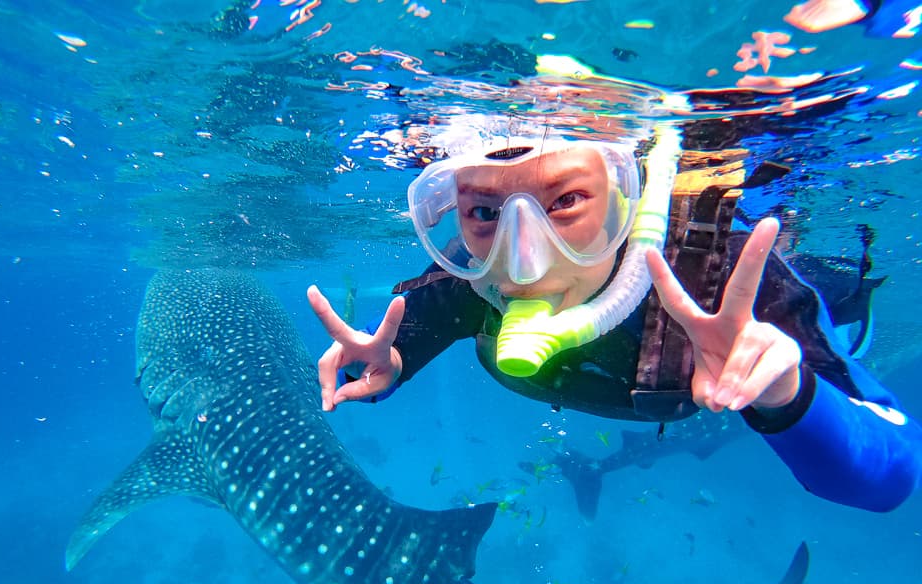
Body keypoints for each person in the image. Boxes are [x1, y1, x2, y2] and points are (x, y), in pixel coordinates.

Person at [306, 124, 922, 512]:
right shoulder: (473, 276)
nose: (524, 263)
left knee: (834, 304)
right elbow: (386, 349)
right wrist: (381, 365)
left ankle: (847, 300)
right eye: (485, 212)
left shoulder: (722, 282)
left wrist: (788, 392)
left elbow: (890, 479)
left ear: (626, 199)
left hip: (785, 298)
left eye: (566, 201)